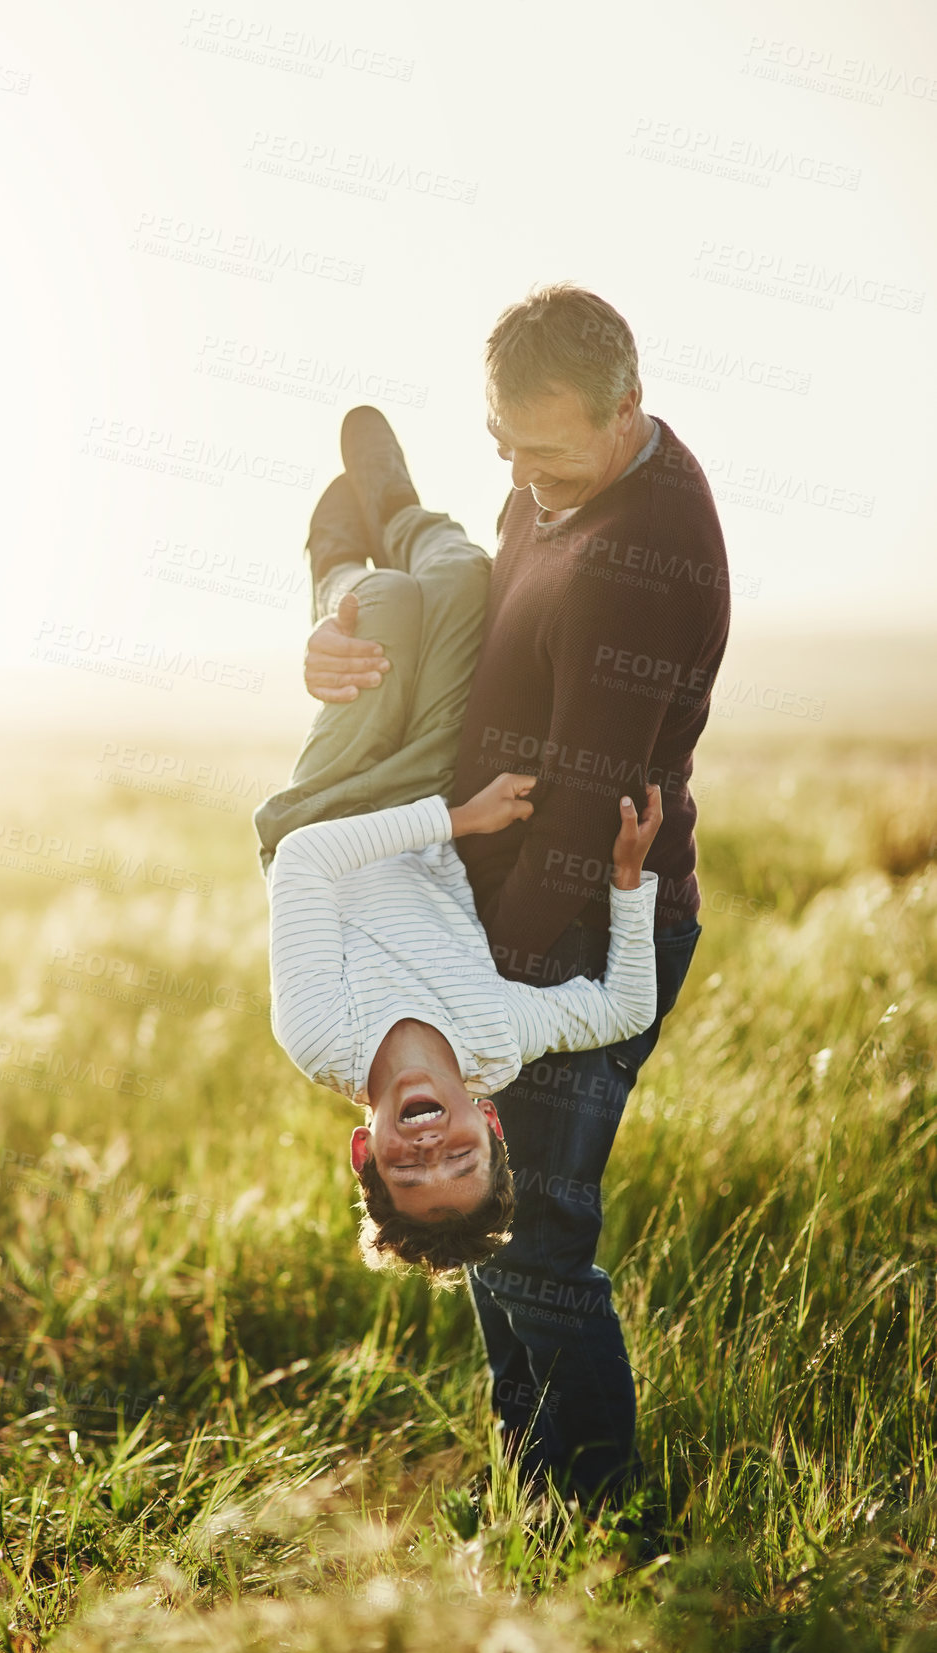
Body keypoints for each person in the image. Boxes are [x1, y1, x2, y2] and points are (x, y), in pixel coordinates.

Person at [297, 285, 732, 1509]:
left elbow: (581, 816)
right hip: (484, 922)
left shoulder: (642, 566)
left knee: (537, 1243)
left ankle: (595, 1519)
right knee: (498, 1238)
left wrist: (466, 984)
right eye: (505, 448)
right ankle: (532, 1495)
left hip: (577, 933)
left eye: (546, 452)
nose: (526, 476)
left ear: (626, 412)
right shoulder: (560, 481)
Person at [266, 756, 661, 1281]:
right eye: (460, 1157)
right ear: (490, 1122)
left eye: (406, 1170)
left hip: (333, 801)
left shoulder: (322, 1038)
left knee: (385, 669)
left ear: (365, 1154)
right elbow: (627, 1009)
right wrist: (628, 876)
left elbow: (303, 857)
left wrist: (464, 818)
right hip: (433, 795)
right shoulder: (495, 1039)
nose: (429, 1148)